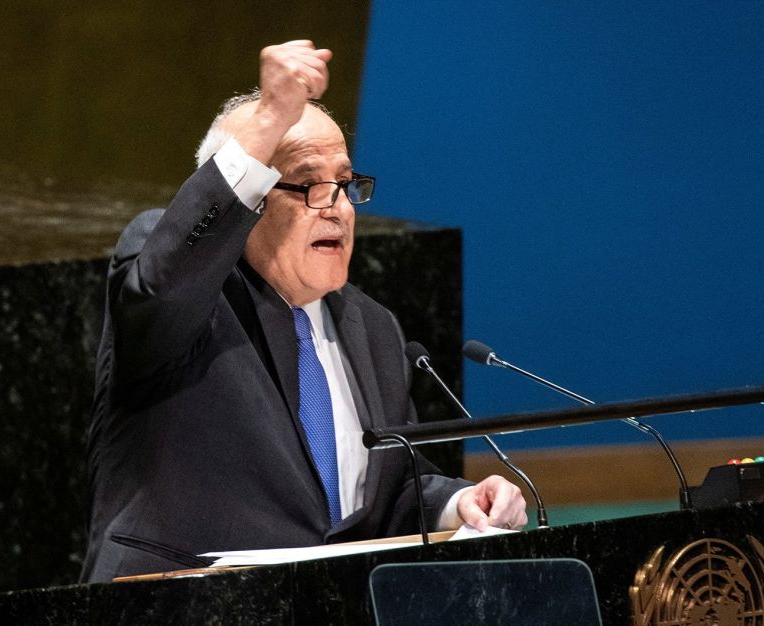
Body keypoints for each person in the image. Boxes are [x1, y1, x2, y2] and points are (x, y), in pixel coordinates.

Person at [81, 40, 527, 582]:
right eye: (309, 184)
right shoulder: (181, 283)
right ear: (248, 201)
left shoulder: (374, 328)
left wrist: (458, 504)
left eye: (344, 183)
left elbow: (387, 493)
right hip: (181, 604)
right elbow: (166, 285)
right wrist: (270, 117)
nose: (337, 205)